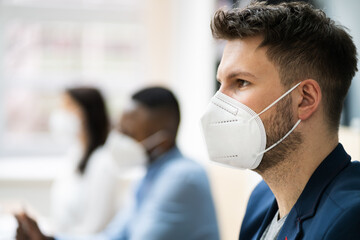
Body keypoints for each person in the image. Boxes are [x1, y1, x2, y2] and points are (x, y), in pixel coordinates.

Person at [201, 1, 360, 239]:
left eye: (241, 82)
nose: (218, 102)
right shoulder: (262, 198)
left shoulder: (350, 218)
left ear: (304, 99)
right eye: (221, 83)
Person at [16, 86, 220, 240]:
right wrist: (50, 239)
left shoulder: (182, 178)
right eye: (119, 129)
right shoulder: (147, 178)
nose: (117, 139)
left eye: (128, 134)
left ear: (163, 141)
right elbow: (112, 236)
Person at [49, 87, 144, 235]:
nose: (61, 114)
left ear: (85, 113)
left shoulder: (104, 162)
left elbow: (95, 227)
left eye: (67, 107)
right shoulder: (76, 154)